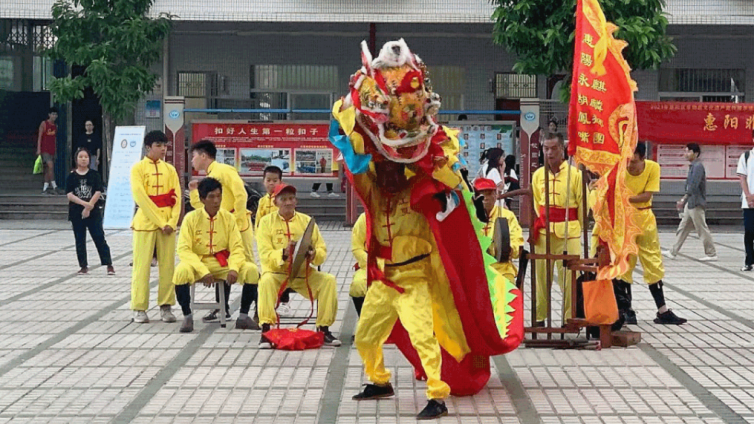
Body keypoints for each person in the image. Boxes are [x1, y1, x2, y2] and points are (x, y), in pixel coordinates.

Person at [605, 143, 687, 325]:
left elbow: (646, 196)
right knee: (625, 263)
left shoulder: (653, 168)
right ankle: (627, 309)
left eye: (633, 162)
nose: (630, 166)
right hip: (625, 220)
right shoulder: (619, 168)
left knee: (653, 262)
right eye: (627, 161)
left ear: (643, 158)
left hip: (645, 218)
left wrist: (622, 197)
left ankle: (662, 310)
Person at [256, 183, 341, 348]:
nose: (288, 202)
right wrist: (283, 253)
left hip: (304, 273)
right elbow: (265, 254)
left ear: (296, 201)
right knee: (265, 281)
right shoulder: (266, 222)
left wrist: (313, 254)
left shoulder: (307, 221)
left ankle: (324, 328)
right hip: (278, 273)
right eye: (283, 199)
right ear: (276, 202)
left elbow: (321, 249)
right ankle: (266, 330)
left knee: (328, 280)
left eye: (291, 198)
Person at [188, 140, 260, 329]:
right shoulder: (209, 177)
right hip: (224, 227)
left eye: (194, 156)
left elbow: (241, 194)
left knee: (248, 266)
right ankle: (223, 308)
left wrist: (236, 219)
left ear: (204, 156)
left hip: (237, 227)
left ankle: (260, 308)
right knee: (223, 262)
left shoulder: (224, 170)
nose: (192, 161)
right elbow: (199, 206)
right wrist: (195, 191)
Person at [173, 178, 260, 333]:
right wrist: (202, 271)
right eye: (211, 197)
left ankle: (243, 316)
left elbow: (237, 247)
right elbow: (184, 250)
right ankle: (187, 316)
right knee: (180, 272)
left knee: (252, 270)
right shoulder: (191, 218)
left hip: (222, 263)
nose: (216, 201)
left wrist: (234, 268)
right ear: (202, 199)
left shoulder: (228, 218)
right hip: (198, 262)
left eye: (219, 196)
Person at [531, 132, 583, 326]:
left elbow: (583, 205)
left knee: (570, 278)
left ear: (563, 150)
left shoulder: (575, 174)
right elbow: (537, 203)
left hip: (568, 232)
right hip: (544, 231)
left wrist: (576, 227)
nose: (549, 153)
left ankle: (569, 319)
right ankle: (539, 318)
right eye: (546, 148)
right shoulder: (538, 175)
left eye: (554, 148)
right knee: (541, 278)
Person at [130, 130, 181, 324]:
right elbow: (140, 197)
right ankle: (139, 307)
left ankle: (166, 306)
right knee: (142, 267)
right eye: (159, 145)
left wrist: (172, 222)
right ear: (148, 147)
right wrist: (161, 222)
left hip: (168, 223)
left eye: (164, 146)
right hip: (146, 223)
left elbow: (176, 197)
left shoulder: (170, 169)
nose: (163, 149)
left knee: (168, 267)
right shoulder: (138, 169)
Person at [662, 143, 717, 262]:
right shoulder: (693, 166)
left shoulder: (698, 167)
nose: (685, 154)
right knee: (683, 228)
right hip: (691, 203)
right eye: (685, 151)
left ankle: (711, 254)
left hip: (696, 203)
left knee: (701, 228)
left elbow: (693, 186)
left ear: (695, 153)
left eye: (688, 151)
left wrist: (683, 199)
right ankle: (673, 251)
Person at [66, 148, 114, 276]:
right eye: (80, 157)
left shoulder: (94, 175)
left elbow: (98, 191)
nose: (83, 159)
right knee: (80, 239)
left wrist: (89, 207)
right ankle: (83, 266)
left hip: (93, 213)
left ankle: (109, 264)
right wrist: (83, 204)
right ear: (76, 159)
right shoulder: (71, 176)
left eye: (86, 157)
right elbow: (69, 195)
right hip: (76, 212)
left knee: (99, 237)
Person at [255, 165, 295, 316]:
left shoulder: (285, 200)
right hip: (269, 244)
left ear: (281, 181)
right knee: (268, 273)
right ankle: (268, 304)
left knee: (285, 270)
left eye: (275, 180)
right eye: (268, 180)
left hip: (284, 242)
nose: (271, 184)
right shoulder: (262, 202)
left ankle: (284, 302)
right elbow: (258, 223)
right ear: (263, 181)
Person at [474, 178, 523, 283]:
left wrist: (509, 249)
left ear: (496, 195)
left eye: (489, 194)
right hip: (476, 268)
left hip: (502, 268)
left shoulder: (507, 215)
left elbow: (517, 240)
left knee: (509, 293)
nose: (485, 198)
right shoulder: (469, 216)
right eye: (481, 195)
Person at [736, 132, 754, 272]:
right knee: (749, 231)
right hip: (748, 203)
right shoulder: (746, 156)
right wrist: (748, 196)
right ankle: (749, 261)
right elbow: (742, 178)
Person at [37, 107, 62, 194]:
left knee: (49, 169)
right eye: (53, 114)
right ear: (49, 115)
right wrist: (38, 149)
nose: (54, 116)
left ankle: (45, 188)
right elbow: (40, 137)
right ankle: (55, 186)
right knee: (50, 166)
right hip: (45, 149)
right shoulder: (44, 124)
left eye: (56, 114)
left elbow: (54, 139)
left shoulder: (55, 126)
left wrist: (55, 151)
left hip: (52, 150)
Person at [349, 213, 368, 316]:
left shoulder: (402, 216)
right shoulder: (364, 218)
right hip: (369, 265)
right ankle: (364, 324)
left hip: (397, 266)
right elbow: (357, 248)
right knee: (357, 285)